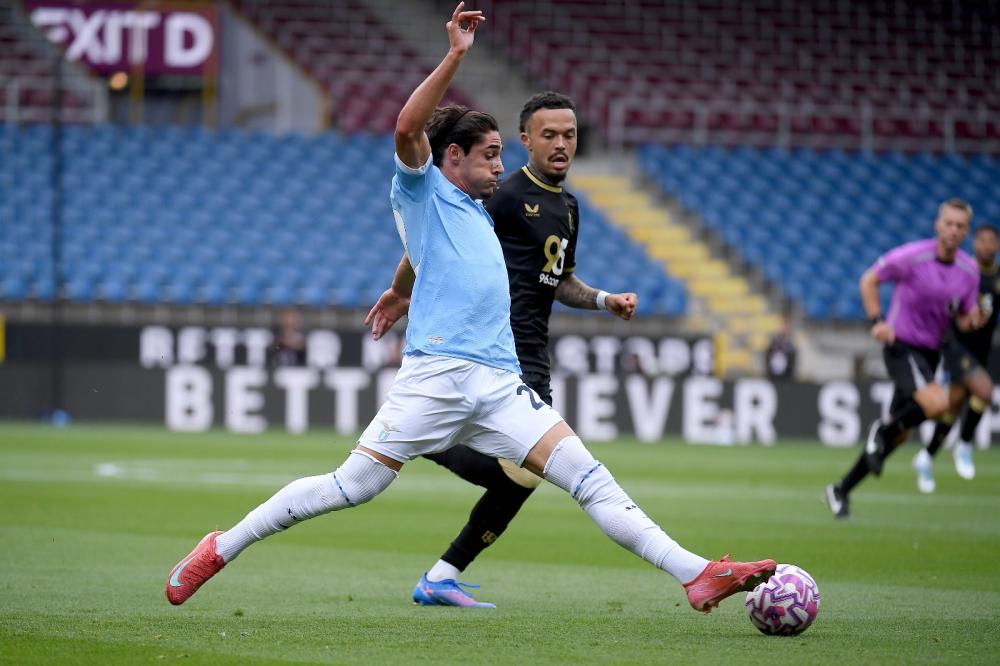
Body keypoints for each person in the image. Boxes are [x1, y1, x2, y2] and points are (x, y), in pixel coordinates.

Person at [165, 2, 774, 613]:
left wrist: (401, 287)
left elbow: (425, 254)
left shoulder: (479, 214)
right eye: (489, 154)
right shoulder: (423, 188)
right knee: (351, 486)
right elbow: (407, 128)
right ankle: (222, 546)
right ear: (452, 156)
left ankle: (696, 574)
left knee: (588, 476)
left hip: (500, 382)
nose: (500, 166)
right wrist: (455, 55)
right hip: (435, 376)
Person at [365, 90, 639, 607]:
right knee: (529, 470)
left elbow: (560, 280)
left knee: (526, 473)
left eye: (570, 134)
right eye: (549, 135)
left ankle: (440, 559)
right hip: (493, 348)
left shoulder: (568, 207)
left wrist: (604, 300)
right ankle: (432, 459)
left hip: (535, 348)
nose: (561, 144)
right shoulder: (506, 193)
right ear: (526, 140)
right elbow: (431, 234)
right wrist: (402, 291)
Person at [824, 199, 982, 519]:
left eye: (960, 226)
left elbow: (964, 316)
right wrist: (877, 321)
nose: (953, 230)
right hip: (901, 345)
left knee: (900, 434)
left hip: (931, 353)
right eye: (949, 223)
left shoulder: (969, 271)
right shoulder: (912, 257)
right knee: (938, 403)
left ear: (966, 232)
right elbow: (869, 279)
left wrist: (973, 320)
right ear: (938, 225)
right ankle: (880, 431)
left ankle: (841, 489)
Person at [913, 223, 999, 492]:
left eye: (991, 241)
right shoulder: (966, 272)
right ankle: (964, 444)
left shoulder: (998, 277)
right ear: (974, 243)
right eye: (981, 240)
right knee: (985, 391)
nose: (986, 245)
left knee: (954, 405)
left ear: (997, 245)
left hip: (981, 350)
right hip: (955, 344)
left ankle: (926, 457)